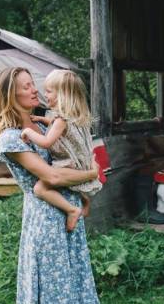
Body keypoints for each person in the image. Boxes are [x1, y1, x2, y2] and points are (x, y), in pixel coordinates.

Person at [0, 67, 101, 304]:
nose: (35, 90)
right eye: (26, 86)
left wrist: (83, 192)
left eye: (33, 84)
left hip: (66, 210)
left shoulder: (42, 126)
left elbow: (71, 151)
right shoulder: (12, 137)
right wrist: (91, 174)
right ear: (9, 94)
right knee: (50, 286)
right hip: (45, 217)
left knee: (65, 281)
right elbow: (50, 175)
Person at [20, 69, 102, 232]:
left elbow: (46, 142)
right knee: (72, 185)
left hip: (68, 165)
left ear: (62, 95)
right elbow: (61, 128)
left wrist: (28, 132)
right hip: (81, 163)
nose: (45, 94)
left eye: (49, 91)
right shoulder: (73, 115)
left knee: (39, 189)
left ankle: (72, 210)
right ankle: (84, 199)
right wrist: (44, 120)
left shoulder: (60, 121)